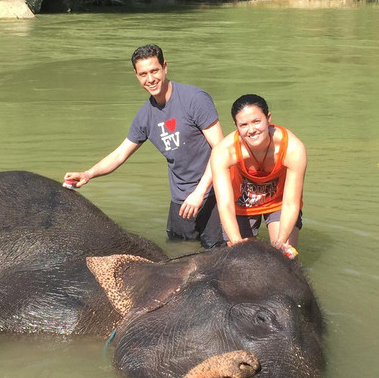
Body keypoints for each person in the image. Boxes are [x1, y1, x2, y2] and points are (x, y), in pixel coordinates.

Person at [63, 44, 225, 247]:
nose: (150, 79)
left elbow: (221, 150)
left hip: (213, 193)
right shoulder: (145, 115)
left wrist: (199, 193)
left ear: (165, 67)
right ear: (136, 75)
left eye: (154, 71)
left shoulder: (195, 99)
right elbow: (120, 154)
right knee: (178, 253)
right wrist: (88, 174)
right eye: (143, 74)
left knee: (218, 256)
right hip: (181, 199)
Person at [209, 94, 307, 257]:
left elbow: (291, 203)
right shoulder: (223, 152)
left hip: (278, 203)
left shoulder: (292, 148)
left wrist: (281, 243)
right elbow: (225, 205)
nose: (252, 130)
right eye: (244, 125)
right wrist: (236, 242)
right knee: (242, 262)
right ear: (236, 126)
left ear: (268, 118)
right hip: (242, 205)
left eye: (256, 121)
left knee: (283, 259)